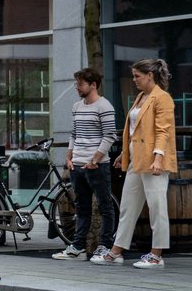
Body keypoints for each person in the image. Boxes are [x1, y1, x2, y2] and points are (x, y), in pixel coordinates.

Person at [93, 58, 177, 269]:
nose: (134, 80)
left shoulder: (162, 98)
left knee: (157, 207)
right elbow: (134, 131)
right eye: (133, 76)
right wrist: (124, 153)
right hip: (136, 160)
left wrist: (158, 158)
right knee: (128, 207)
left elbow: (163, 131)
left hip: (153, 161)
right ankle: (116, 252)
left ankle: (156, 255)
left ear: (150, 75)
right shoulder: (141, 96)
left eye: (137, 76)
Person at [52, 68, 118, 260]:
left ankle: (105, 246)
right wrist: (69, 157)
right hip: (77, 165)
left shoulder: (104, 106)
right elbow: (74, 133)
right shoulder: (77, 106)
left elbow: (110, 135)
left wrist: (95, 159)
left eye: (80, 84)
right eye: (76, 84)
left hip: (97, 166)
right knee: (81, 208)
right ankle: (77, 246)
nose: (77, 87)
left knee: (105, 206)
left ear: (93, 85)